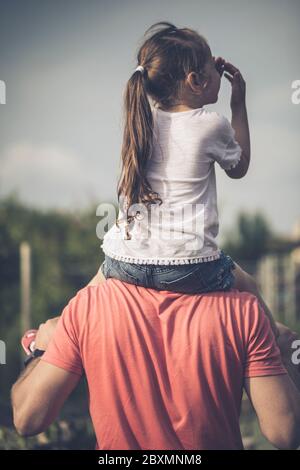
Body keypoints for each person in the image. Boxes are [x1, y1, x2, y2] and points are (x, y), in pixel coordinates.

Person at [90, 21, 279, 337]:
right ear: (197, 81)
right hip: (188, 266)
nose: (219, 71)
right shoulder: (210, 124)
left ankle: (46, 336)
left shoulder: (142, 123)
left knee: (91, 289)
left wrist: (209, 72)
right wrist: (238, 103)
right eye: (212, 67)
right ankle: (281, 350)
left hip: (127, 263)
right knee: (250, 286)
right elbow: (239, 166)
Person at [11, 281, 300, 449]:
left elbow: (27, 419)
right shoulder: (242, 310)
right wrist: (285, 350)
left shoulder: (88, 306)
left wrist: (41, 349)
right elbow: (285, 433)